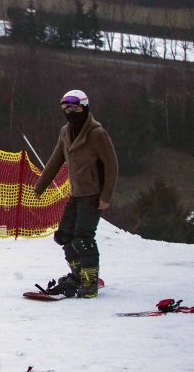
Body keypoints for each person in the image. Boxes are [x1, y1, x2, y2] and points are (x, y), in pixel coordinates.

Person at [33, 89, 119, 299]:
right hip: (76, 193)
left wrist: (106, 196)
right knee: (64, 236)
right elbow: (56, 159)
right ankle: (78, 275)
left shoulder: (97, 133)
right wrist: (40, 186)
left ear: (84, 107)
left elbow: (112, 165)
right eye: (65, 108)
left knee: (83, 238)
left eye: (74, 107)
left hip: (93, 194)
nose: (70, 112)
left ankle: (90, 282)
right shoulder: (65, 132)